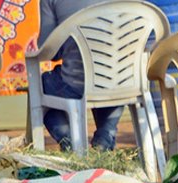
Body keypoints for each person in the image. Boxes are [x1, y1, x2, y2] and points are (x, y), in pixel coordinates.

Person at [39, 0, 122, 150]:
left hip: (75, 84)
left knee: (41, 85)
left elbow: (48, 50)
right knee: (111, 75)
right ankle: (105, 137)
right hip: (122, 79)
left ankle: (71, 143)